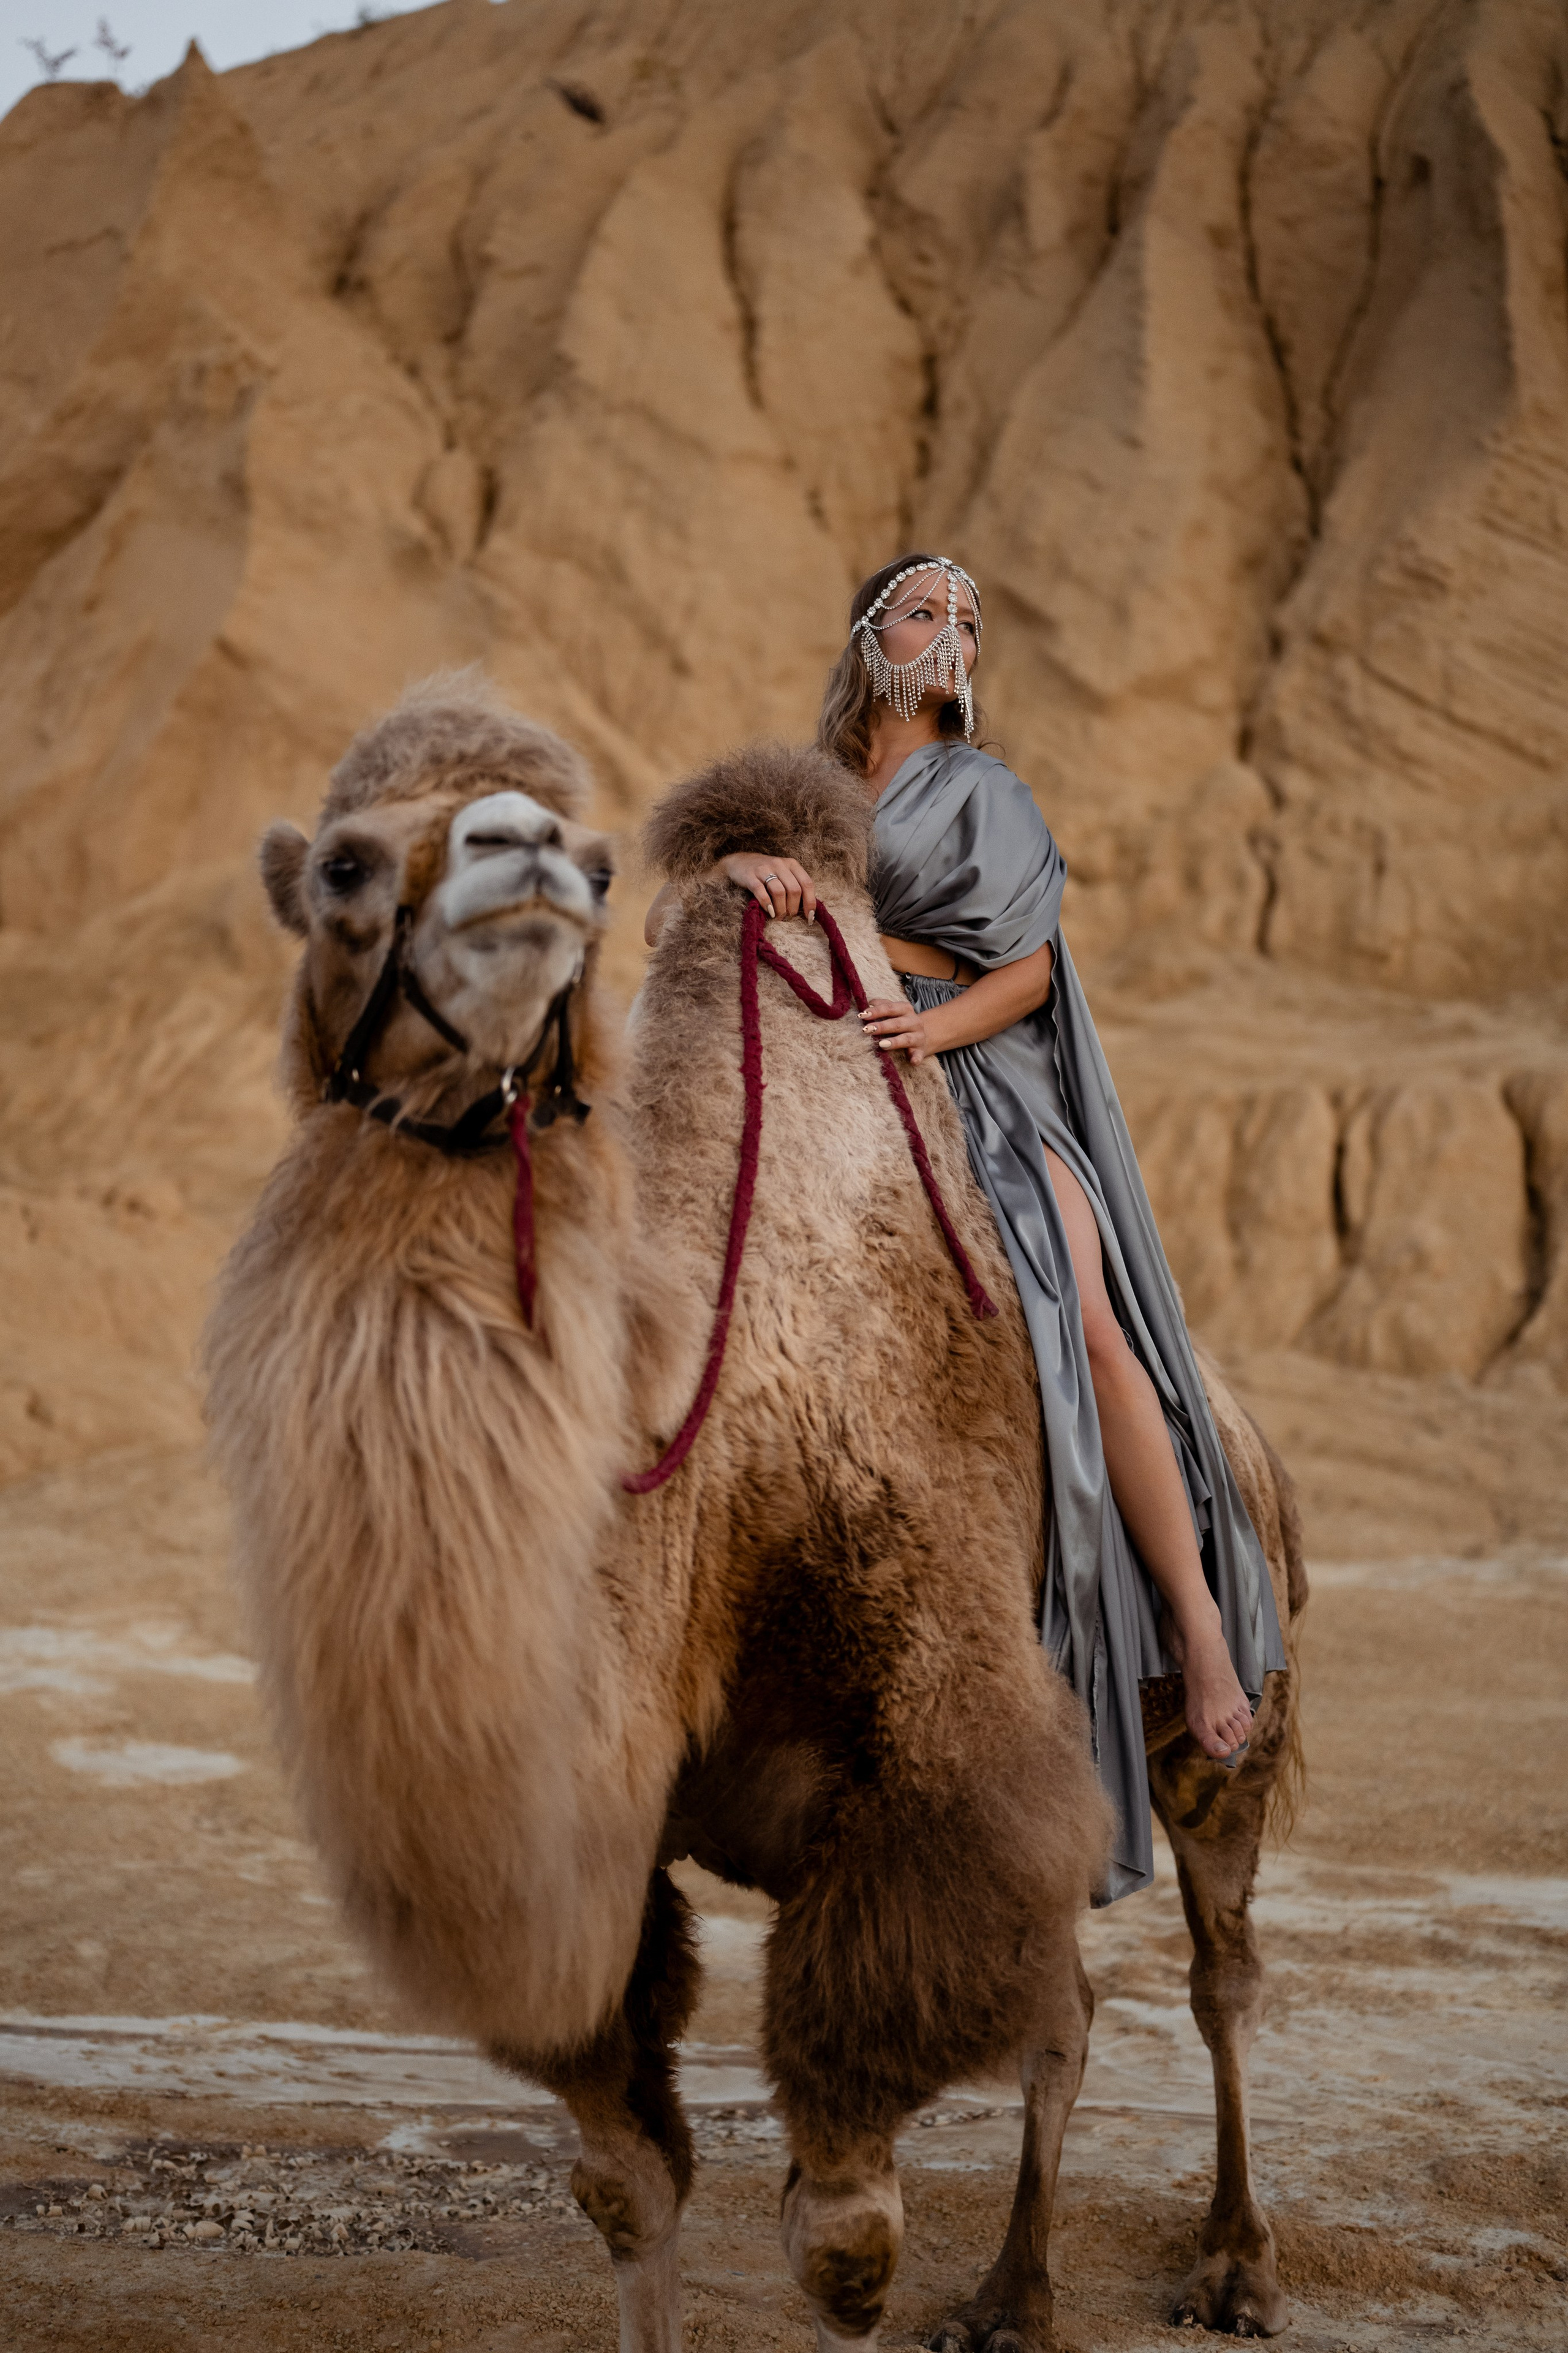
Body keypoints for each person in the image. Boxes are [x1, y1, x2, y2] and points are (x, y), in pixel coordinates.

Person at [646, 554, 1286, 1900]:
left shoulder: (984, 792)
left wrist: (925, 1028)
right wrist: (757, 864)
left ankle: (1197, 1626)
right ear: (872, 637)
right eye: (926, 612)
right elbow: (730, 908)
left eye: (968, 622)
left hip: (985, 1089)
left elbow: (1031, 974)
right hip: (853, 1099)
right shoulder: (823, 798)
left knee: (1086, 1313)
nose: (951, 635)